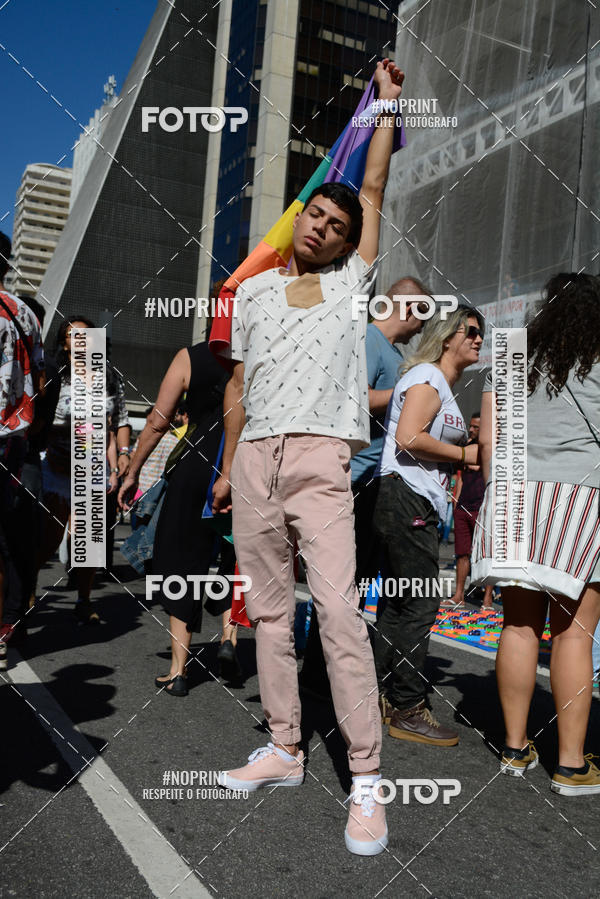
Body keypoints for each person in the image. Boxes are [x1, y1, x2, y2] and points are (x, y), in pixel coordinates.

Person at [212, 58, 405, 857]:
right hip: (255, 456)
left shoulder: (349, 283)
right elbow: (240, 389)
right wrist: (227, 464)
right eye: (313, 216)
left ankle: (366, 778)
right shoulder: (254, 293)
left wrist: (387, 109)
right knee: (267, 613)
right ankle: (285, 748)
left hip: (322, 458)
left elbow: (374, 191)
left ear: (348, 238)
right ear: (297, 223)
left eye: (335, 219)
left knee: (335, 613)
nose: (323, 224)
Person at [472, 273, 600, 794]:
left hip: (512, 495)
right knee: (574, 631)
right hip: (581, 495)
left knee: (519, 624)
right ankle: (570, 765)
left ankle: (515, 747)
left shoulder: (511, 356)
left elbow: (487, 443)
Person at [299, 278, 428, 697]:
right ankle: (316, 679)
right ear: (407, 309)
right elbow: (353, 397)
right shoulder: (370, 339)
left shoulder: (389, 350)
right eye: (422, 315)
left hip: (369, 483)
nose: (423, 328)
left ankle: (327, 675)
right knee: (339, 586)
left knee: (351, 587)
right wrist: (405, 396)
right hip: (351, 480)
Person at [373, 305, 484, 746]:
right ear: (448, 337)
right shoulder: (428, 378)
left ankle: (379, 695)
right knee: (418, 606)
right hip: (406, 496)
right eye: (471, 331)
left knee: (399, 605)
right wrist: (463, 455)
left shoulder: (440, 383)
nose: (478, 339)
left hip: (408, 497)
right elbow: (409, 438)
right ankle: (407, 707)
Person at [119, 341, 236, 696]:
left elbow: (157, 421)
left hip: (199, 464)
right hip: (248, 463)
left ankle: (178, 670)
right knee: (239, 555)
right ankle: (229, 637)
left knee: (181, 560)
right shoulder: (269, 348)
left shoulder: (193, 356)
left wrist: (133, 471)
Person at [33, 315, 120, 624]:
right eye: (73, 335)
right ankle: (27, 593)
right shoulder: (55, 375)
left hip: (92, 466)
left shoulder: (107, 378)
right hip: (57, 465)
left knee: (88, 541)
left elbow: (109, 429)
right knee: (51, 538)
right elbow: (42, 420)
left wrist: (113, 468)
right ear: (64, 343)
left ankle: (84, 600)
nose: (81, 339)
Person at [0, 231, 45, 662]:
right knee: (12, 535)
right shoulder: (24, 315)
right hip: (13, 441)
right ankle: (7, 625)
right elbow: (41, 378)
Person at [443, 412, 494, 610]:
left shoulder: (492, 448)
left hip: (483, 507)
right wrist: (456, 503)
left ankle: (487, 599)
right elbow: (461, 476)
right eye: (470, 426)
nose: (471, 430)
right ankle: (459, 595)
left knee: (487, 553)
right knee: (461, 553)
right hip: (463, 507)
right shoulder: (465, 447)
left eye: (475, 427)